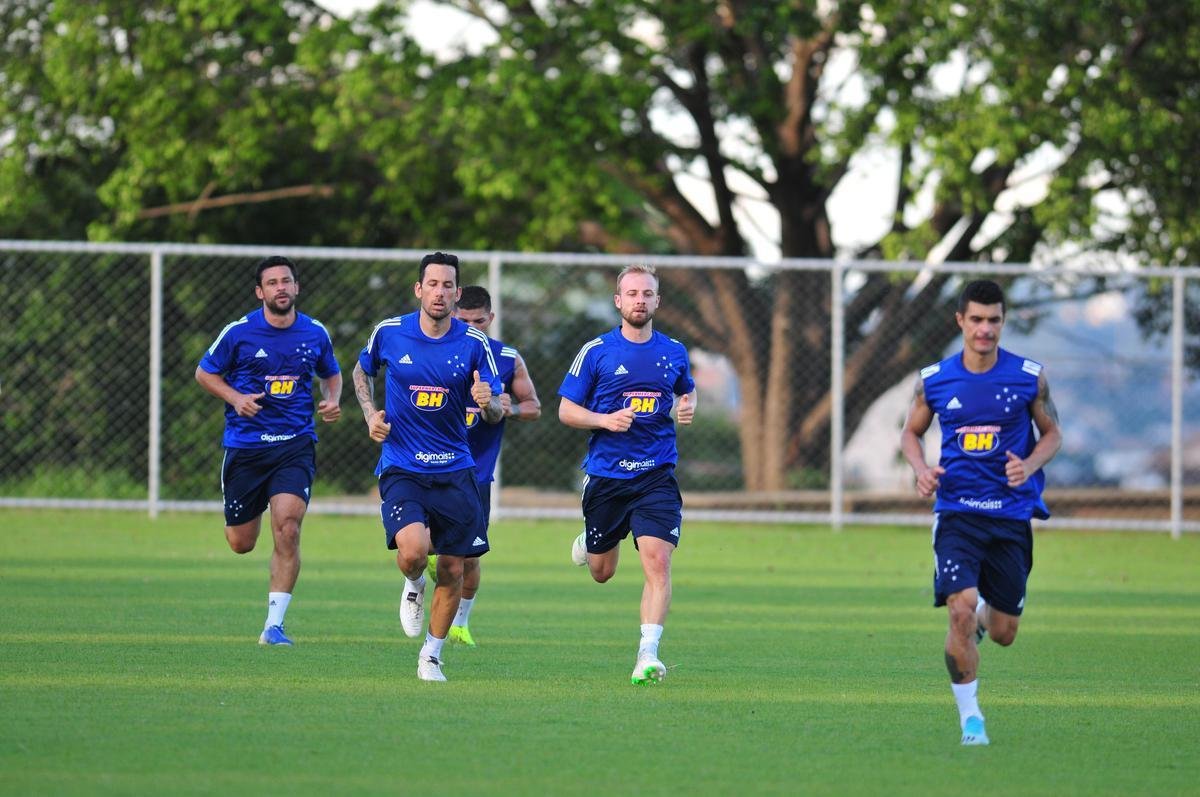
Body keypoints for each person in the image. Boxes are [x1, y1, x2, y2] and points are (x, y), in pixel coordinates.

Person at [900, 279, 1062, 746]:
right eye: (976, 320)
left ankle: (990, 616)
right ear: (960, 321)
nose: (985, 329)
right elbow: (910, 433)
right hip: (956, 514)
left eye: (993, 320)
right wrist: (921, 469)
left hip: (1010, 516)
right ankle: (972, 719)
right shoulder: (934, 379)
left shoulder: (1029, 376)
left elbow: (1053, 433)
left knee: (1005, 631)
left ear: (1002, 322)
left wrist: (1028, 465)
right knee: (960, 609)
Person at [352, 252, 504, 682]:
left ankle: (431, 656)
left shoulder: (474, 344)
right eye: (432, 284)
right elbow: (361, 373)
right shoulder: (390, 333)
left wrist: (487, 401)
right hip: (403, 465)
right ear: (419, 289)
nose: (440, 292)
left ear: (457, 295)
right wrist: (370, 416)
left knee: (454, 567)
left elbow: (494, 411)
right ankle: (413, 584)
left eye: (448, 286)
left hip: (456, 468)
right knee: (415, 552)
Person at [557, 264, 697, 686]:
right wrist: (604, 420)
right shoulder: (596, 351)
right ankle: (590, 540)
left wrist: (689, 405)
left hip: (656, 475)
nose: (639, 300)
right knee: (602, 571)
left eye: (647, 293)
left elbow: (685, 389)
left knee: (658, 561)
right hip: (607, 477)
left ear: (657, 301)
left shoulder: (674, 351)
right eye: (631, 293)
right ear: (619, 301)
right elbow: (566, 410)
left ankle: (647, 655)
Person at [195, 255, 342, 646]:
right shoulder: (239, 332)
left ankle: (273, 626)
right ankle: (251, 507)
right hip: (245, 447)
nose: (281, 288)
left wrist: (332, 399)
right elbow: (204, 371)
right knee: (241, 543)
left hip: (294, 444)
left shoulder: (315, 332)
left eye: (286, 281)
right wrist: (235, 397)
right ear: (260, 292)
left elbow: (331, 372)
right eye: (272, 282)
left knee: (289, 526)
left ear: (296, 288)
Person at [425, 286, 542, 646]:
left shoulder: (507, 358)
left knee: (470, 558)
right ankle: (416, 578)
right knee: (421, 546)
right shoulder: (432, 351)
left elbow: (534, 406)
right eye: (464, 321)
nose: (472, 327)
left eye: (479, 321)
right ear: (452, 317)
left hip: (476, 473)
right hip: (430, 466)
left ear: (490, 319)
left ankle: (460, 623)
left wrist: (511, 409)